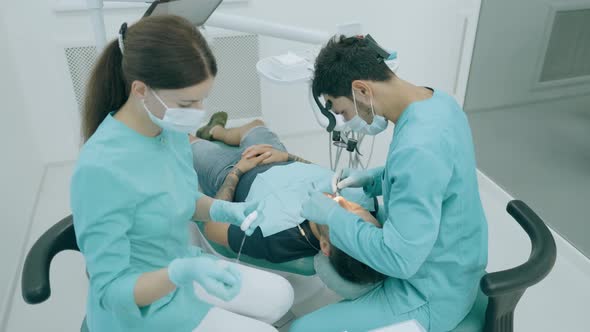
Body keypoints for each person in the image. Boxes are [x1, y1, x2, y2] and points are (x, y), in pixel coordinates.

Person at [70, 16, 293, 332]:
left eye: (203, 99)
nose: (198, 111)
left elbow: (179, 197)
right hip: (142, 307)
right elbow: (111, 292)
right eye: (187, 102)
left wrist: (223, 209)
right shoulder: (101, 169)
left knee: (281, 296)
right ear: (141, 90)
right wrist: (179, 273)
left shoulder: (168, 128)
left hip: (184, 266)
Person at [293, 35, 489, 332]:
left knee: (301, 329)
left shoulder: (417, 147)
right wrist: (377, 179)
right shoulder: (438, 103)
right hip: (459, 266)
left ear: (361, 89)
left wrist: (332, 215)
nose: (346, 120)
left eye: (342, 111)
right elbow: (438, 172)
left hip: (432, 293)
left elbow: (400, 261)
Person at [189, 115, 385, 285]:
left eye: (339, 217)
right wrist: (287, 156)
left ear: (325, 246)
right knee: (256, 125)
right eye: (358, 211)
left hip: (230, 173)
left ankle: (205, 138)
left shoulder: (279, 238)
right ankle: (216, 131)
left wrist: (237, 171)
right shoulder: (366, 200)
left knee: (184, 141)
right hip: (277, 156)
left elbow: (213, 228)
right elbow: (322, 175)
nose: (342, 202)